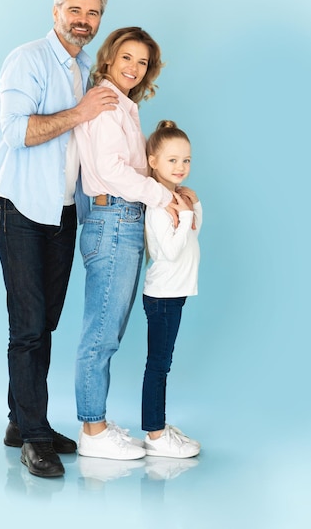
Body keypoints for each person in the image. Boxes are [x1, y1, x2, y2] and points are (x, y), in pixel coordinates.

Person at [0, 0, 119, 478]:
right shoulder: (28, 60)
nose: (84, 22)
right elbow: (16, 131)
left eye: (93, 15)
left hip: (63, 212)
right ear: (56, 10)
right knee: (28, 326)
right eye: (76, 11)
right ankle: (35, 437)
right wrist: (79, 111)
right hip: (19, 206)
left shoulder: (87, 68)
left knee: (45, 323)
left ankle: (21, 421)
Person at [74, 27, 176, 460]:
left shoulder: (126, 106)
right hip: (113, 218)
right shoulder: (107, 102)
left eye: (142, 62)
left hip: (122, 219)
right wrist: (159, 194)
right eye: (127, 58)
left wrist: (170, 190)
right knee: (101, 333)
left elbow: (132, 169)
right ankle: (92, 431)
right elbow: (111, 170)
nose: (134, 68)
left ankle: (97, 421)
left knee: (108, 329)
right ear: (110, 58)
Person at [141, 120, 202, 458]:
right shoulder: (158, 205)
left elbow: (194, 230)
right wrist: (185, 212)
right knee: (159, 364)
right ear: (153, 162)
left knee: (163, 362)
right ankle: (155, 433)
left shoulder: (177, 198)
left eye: (186, 160)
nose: (181, 167)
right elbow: (171, 250)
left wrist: (193, 206)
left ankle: (159, 425)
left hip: (175, 293)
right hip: (163, 296)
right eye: (172, 160)